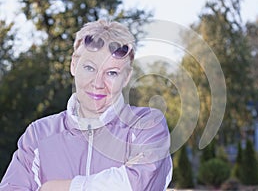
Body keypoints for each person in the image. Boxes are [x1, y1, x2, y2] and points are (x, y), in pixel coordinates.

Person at [0, 19, 172, 191]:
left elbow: (138, 183)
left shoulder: (147, 125)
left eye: (112, 73)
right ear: (74, 65)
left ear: (126, 77)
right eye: (89, 68)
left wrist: (61, 188)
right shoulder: (38, 134)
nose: (97, 83)